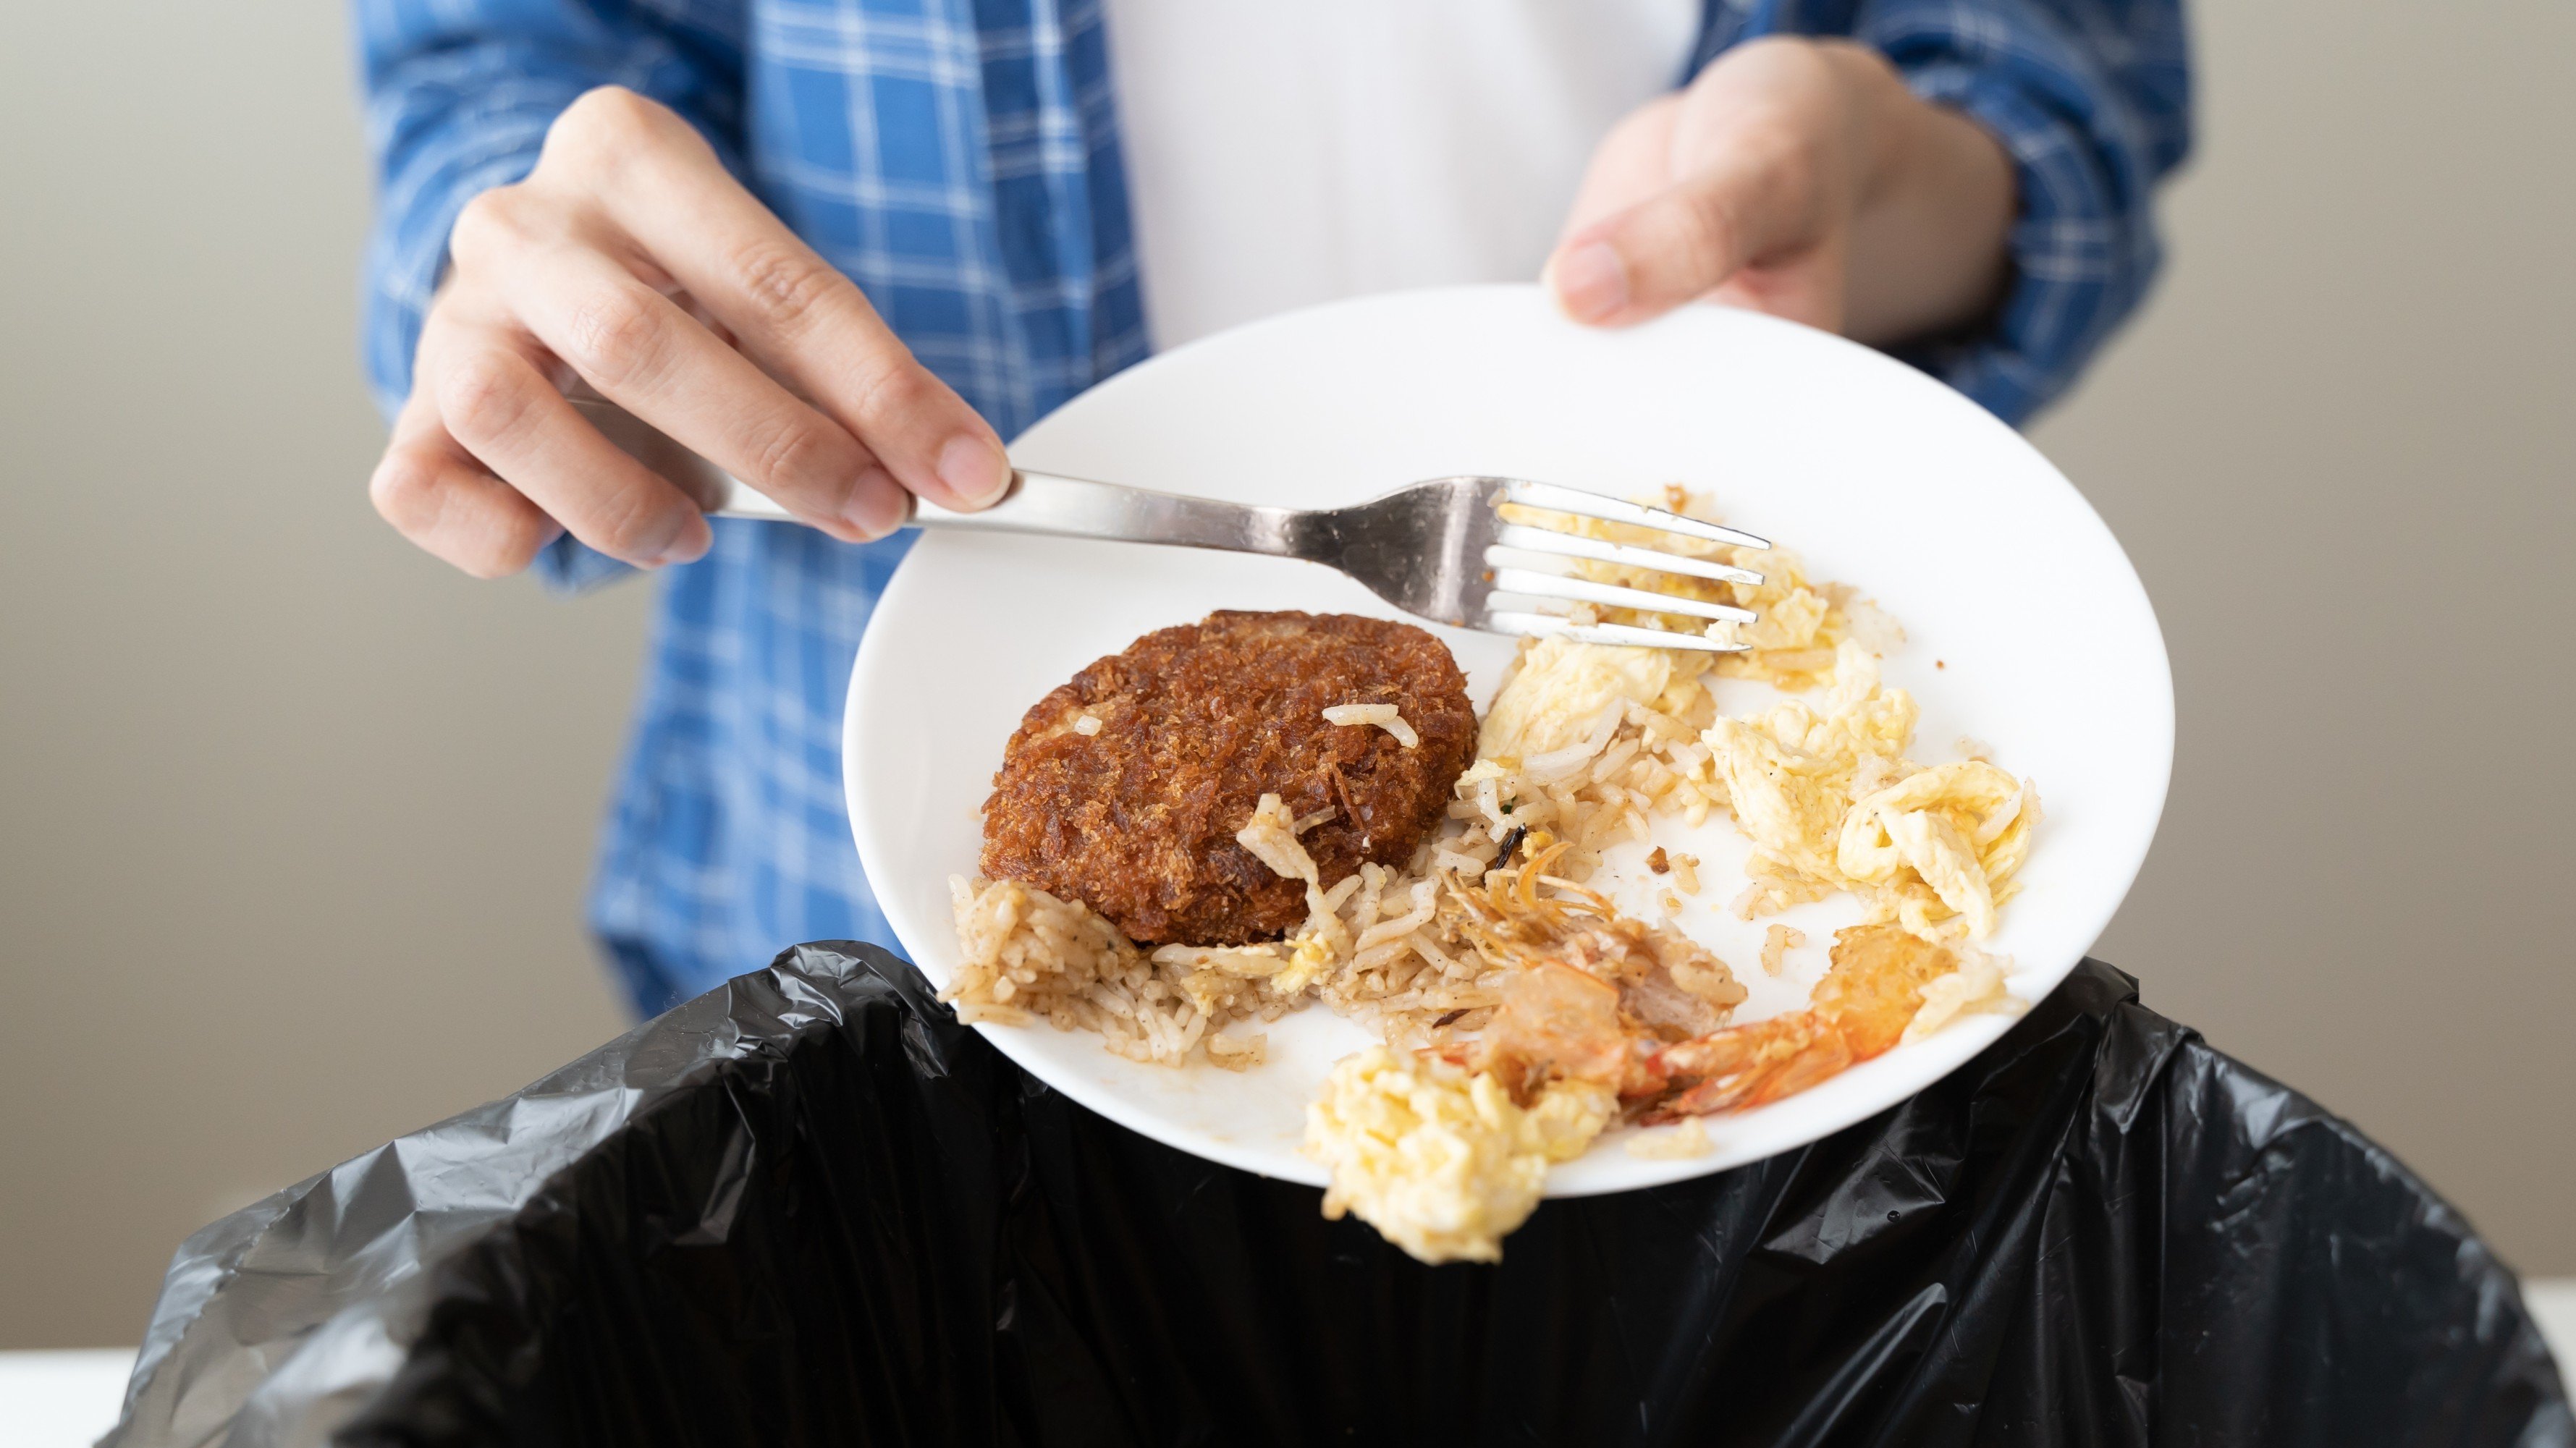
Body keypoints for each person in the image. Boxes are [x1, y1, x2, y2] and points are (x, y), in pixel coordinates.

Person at [356, 1, 2189, 1018]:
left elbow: (2049, 78)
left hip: (1718, 907)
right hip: (842, 921)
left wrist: (1896, 170)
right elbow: (489, 62)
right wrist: (532, 288)